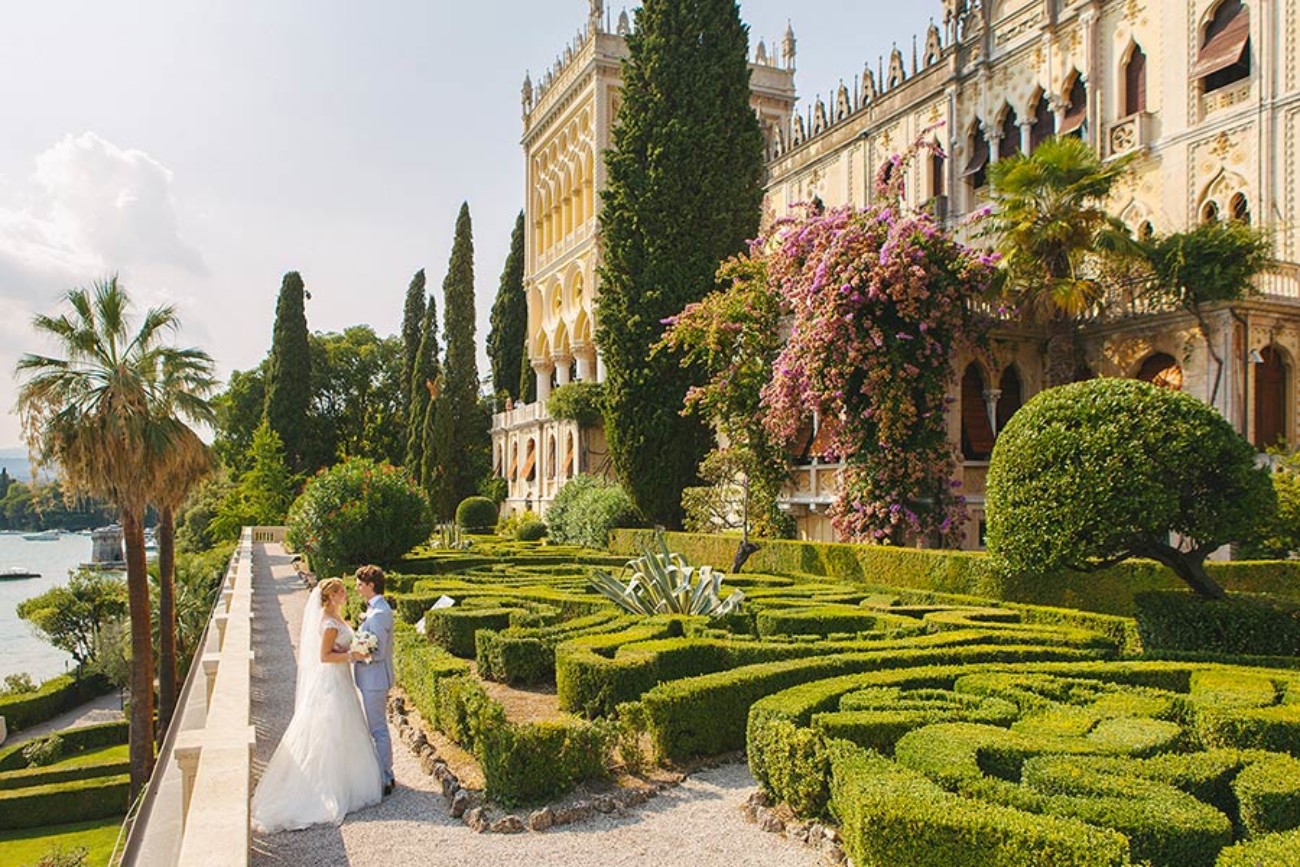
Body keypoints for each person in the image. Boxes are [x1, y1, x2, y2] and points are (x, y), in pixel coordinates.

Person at [250, 577, 383, 833]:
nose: (346, 593)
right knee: (330, 729)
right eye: (341, 591)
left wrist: (356, 646)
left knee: (345, 728)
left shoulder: (337, 617)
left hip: (341, 679)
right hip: (331, 681)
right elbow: (324, 656)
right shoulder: (330, 622)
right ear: (331, 596)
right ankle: (328, 787)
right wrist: (352, 655)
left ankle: (347, 780)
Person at [352, 564, 396, 795]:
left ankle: (385, 776)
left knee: (378, 728)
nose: (357, 588)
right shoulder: (374, 609)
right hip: (370, 679)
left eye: (360, 584)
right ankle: (384, 772)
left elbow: (377, 653)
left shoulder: (379, 613)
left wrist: (353, 654)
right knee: (376, 727)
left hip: (375, 679)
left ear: (371, 585)